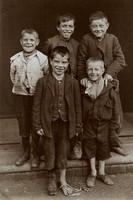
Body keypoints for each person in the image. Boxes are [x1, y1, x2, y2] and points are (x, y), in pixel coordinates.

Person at [33, 46, 82, 196]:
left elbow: (77, 105)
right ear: (50, 61)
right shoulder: (43, 82)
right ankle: (51, 177)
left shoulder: (73, 82)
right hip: (48, 123)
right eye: (57, 62)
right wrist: (37, 124)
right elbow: (36, 105)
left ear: (68, 64)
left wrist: (78, 125)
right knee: (50, 150)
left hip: (66, 123)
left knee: (63, 150)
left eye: (64, 62)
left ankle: (63, 180)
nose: (60, 66)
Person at [77, 10, 127, 130]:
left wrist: (109, 74)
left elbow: (120, 59)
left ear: (107, 25)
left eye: (101, 26)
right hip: (91, 79)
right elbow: (80, 60)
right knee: (91, 109)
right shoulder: (86, 39)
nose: (98, 29)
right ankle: (91, 136)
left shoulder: (112, 39)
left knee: (114, 109)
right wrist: (82, 76)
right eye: (94, 26)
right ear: (90, 27)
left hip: (109, 80)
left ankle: (114, 138)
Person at [80, 57, 122, 188]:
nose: (93, 72)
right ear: (86, 71)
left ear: (103, 70)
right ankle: (93, 172)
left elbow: (116, 108)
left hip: (105, 124)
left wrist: (114, 126)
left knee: (104, 145)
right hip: (89, 123)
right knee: (90, 145)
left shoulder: (109, 87)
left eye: (97, 69)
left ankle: (102, 172)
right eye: (90, 69)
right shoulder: (83, 87)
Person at [10, 29, 49, 168]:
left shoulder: (43, 59)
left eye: (32, 40)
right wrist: (21, 87)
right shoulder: (15, 59)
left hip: (37, 97)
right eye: (25, 40)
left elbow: (46, 77)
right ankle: (25, 151)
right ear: (21, 42)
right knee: (23, 123)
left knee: (35, 124)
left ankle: (35, 153)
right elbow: (13, 77)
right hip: (21, 96)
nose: (28, 42)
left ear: (37, 42)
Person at [43, 12, 79, 78]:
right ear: (58, 27)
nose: (67, 29)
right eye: (64, 26)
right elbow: (44, 62)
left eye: (70, 26)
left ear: (74, 28)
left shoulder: (76, 44)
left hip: (72, 79)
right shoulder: (50, 43)